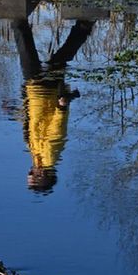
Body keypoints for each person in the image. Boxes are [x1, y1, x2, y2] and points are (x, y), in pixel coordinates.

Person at [13, 17, 93, 192]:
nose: (29, 172)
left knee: (57, 59)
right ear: (41, 176)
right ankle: (18, 19)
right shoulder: (49, 156)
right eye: (31, 175)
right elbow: (57, 130)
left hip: (36, 94)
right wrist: (62, 108)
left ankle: (83, 27)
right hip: (45, 92)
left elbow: (32, 124)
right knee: (31, 52)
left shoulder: (38, 157)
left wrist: (15, 112)